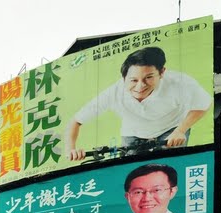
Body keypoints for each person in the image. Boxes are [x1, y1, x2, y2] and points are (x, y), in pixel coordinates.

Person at [65, 46, 212, 160]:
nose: (140, 86)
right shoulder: (114, 92)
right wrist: (71, 149)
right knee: (131, 171)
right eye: (133, 80)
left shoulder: (180, 82)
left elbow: (203, 104)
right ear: (124, 78)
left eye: (148, 77)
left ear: (162, 72)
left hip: (172, 128)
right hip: (133, 133)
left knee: (169, 167)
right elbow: (76, 121)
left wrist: (180, 130)